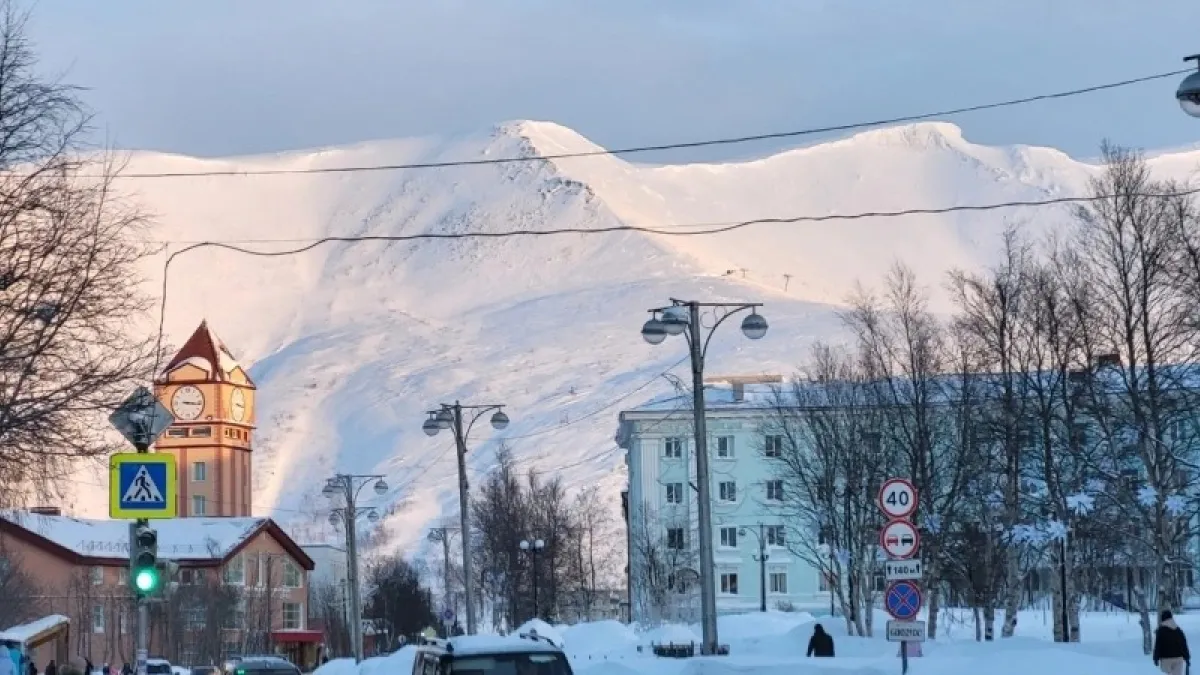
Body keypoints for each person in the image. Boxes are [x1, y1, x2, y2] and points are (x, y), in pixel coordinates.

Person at [1154, 610, 1191, 675]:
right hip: (1178, 658)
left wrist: (1156, 658)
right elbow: (1183, 644)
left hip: (1166, 659)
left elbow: (1158, 645)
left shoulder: (1161, 631)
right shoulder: (1178, 630)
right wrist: (1187, 658)